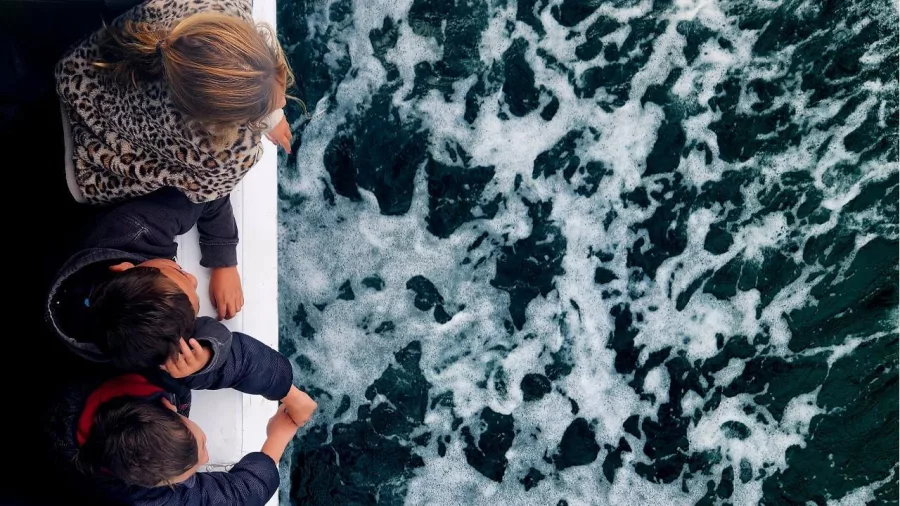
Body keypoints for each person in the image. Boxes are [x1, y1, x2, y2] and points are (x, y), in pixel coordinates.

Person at [56, 0, 296, 320]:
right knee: (191, 189)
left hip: (75, 74)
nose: (281, 100)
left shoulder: (209, 8)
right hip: (88, 167)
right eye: (267, 105)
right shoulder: (225, 151)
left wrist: (265, 105)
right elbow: (210, 197)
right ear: (222, 122)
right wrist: (224, 260)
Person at [46, 327, 317, 506]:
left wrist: (290, 393)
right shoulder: (135, 497)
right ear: (146, 486)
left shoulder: (154, 362)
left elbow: (240, 359)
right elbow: (232, 501)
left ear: (168, 407)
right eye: (186, 478)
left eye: (200, 443)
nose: (206, 458)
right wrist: (277, 440)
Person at [47, 186, 259, 372]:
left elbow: (210, 189)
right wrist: (204, 353)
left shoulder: (138, 228)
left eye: (179, 273)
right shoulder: (134, 345)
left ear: (123, 268)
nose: (193, 279)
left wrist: (224, 263)